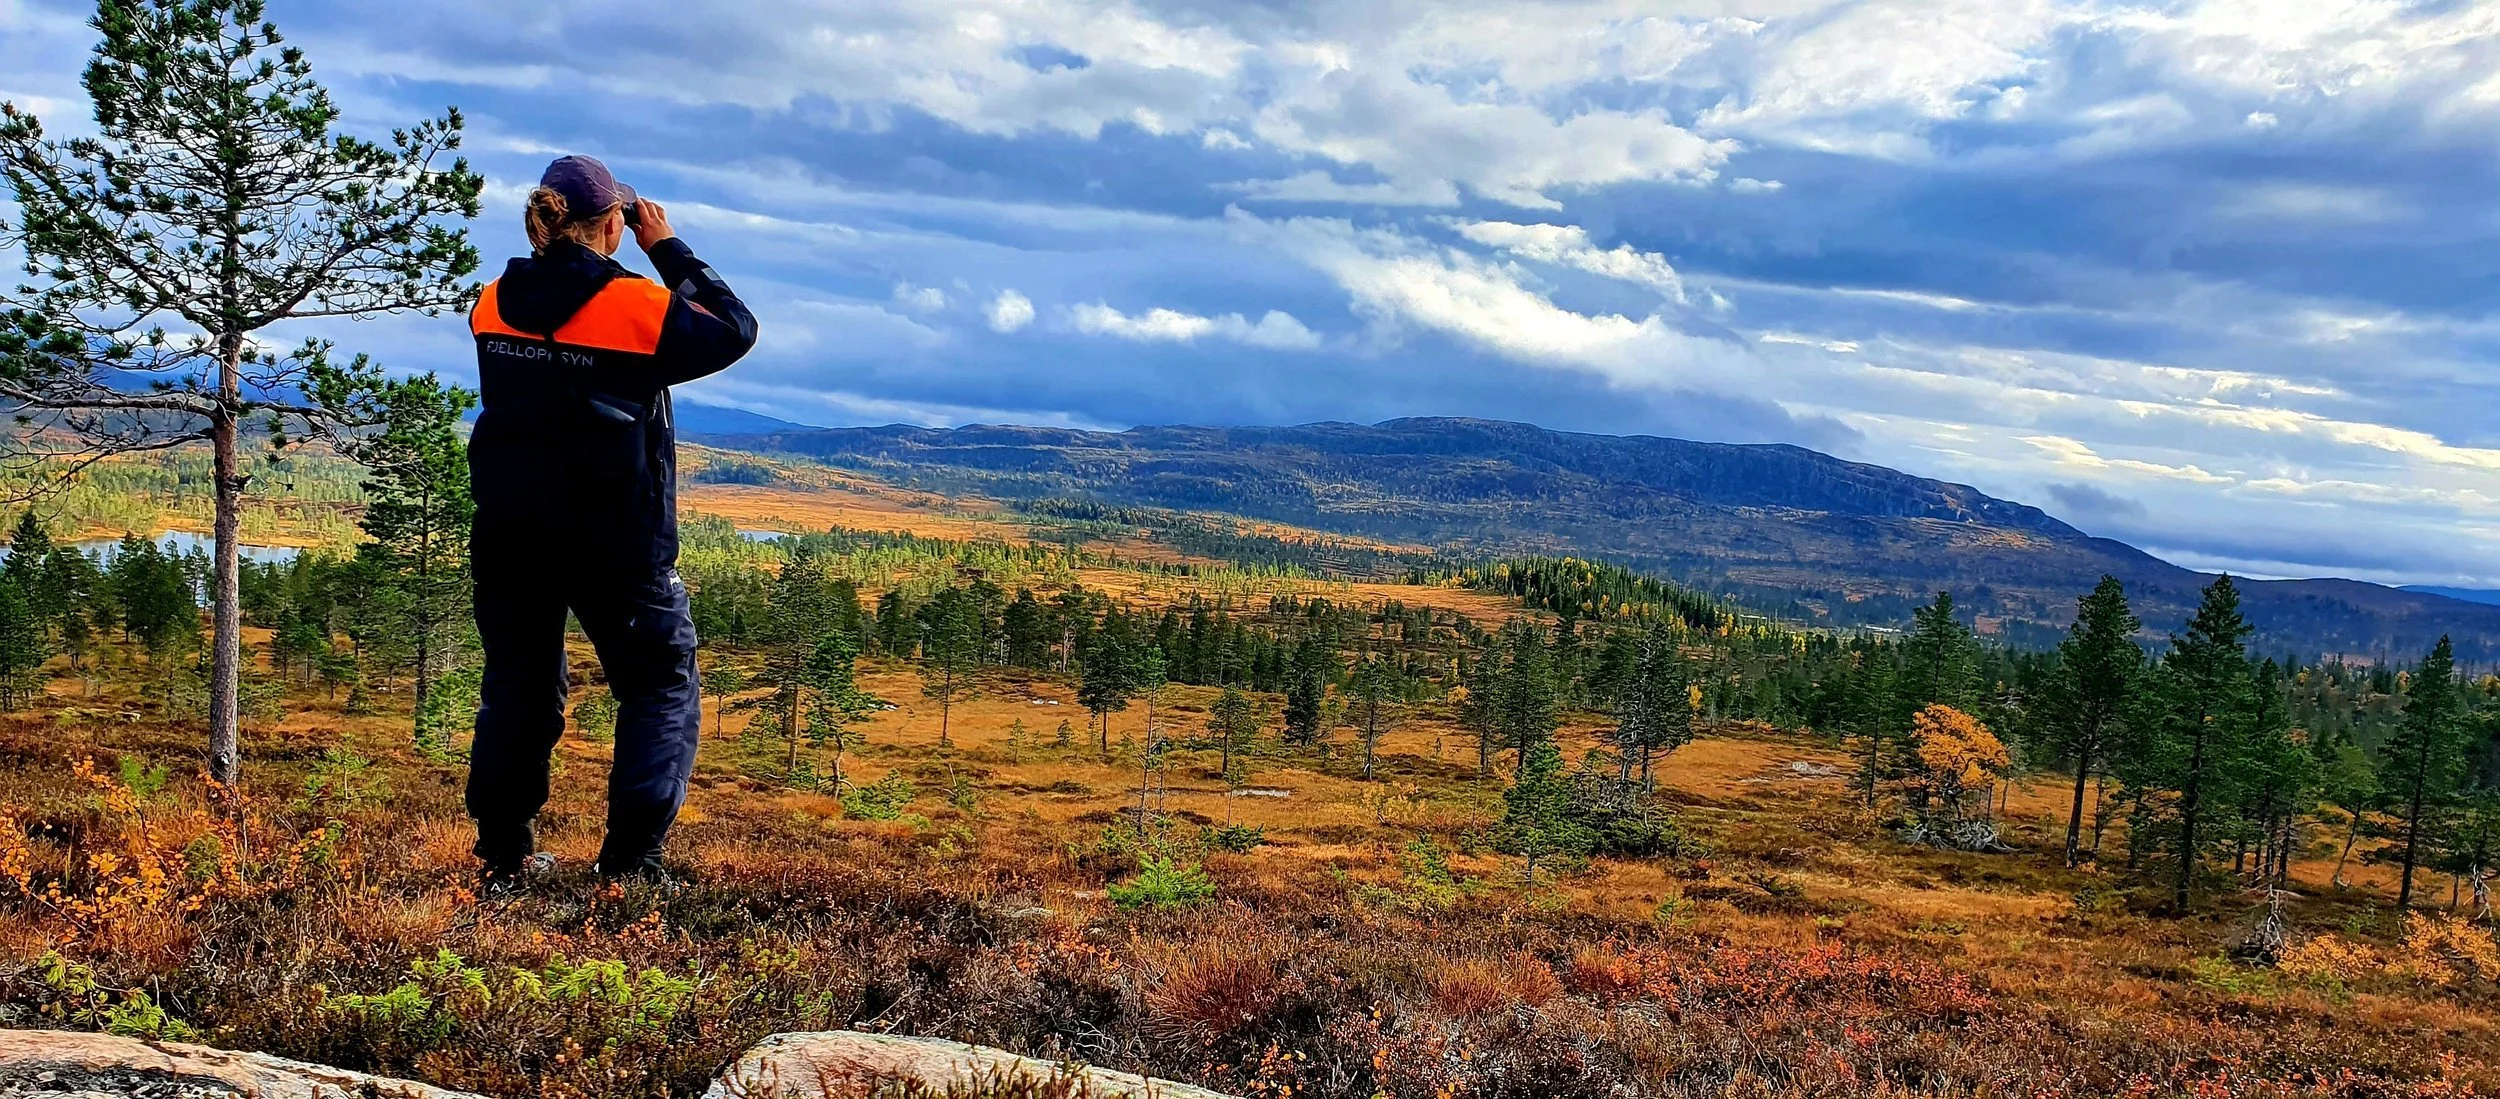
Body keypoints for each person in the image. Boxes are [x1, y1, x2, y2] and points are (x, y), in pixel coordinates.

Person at [464, 154, 757, 890]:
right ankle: (629, 867)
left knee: (518, 686)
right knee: (659, 682)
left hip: (511, 530)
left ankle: (503, 856)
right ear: (613, 225)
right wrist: (667, 247)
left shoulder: (491, 302)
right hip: (616, 540)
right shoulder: (636, 308)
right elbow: (734, 326)